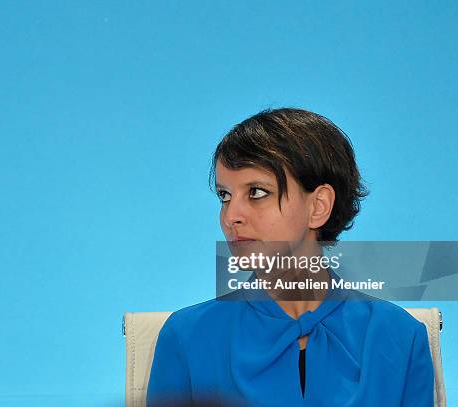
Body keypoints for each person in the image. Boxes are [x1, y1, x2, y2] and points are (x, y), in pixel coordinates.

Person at [146, 108, 434, 407]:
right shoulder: (185, 338)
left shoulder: (402, 338)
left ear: (318, 206)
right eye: (225, 195)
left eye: (257, 192)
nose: (231, 216)